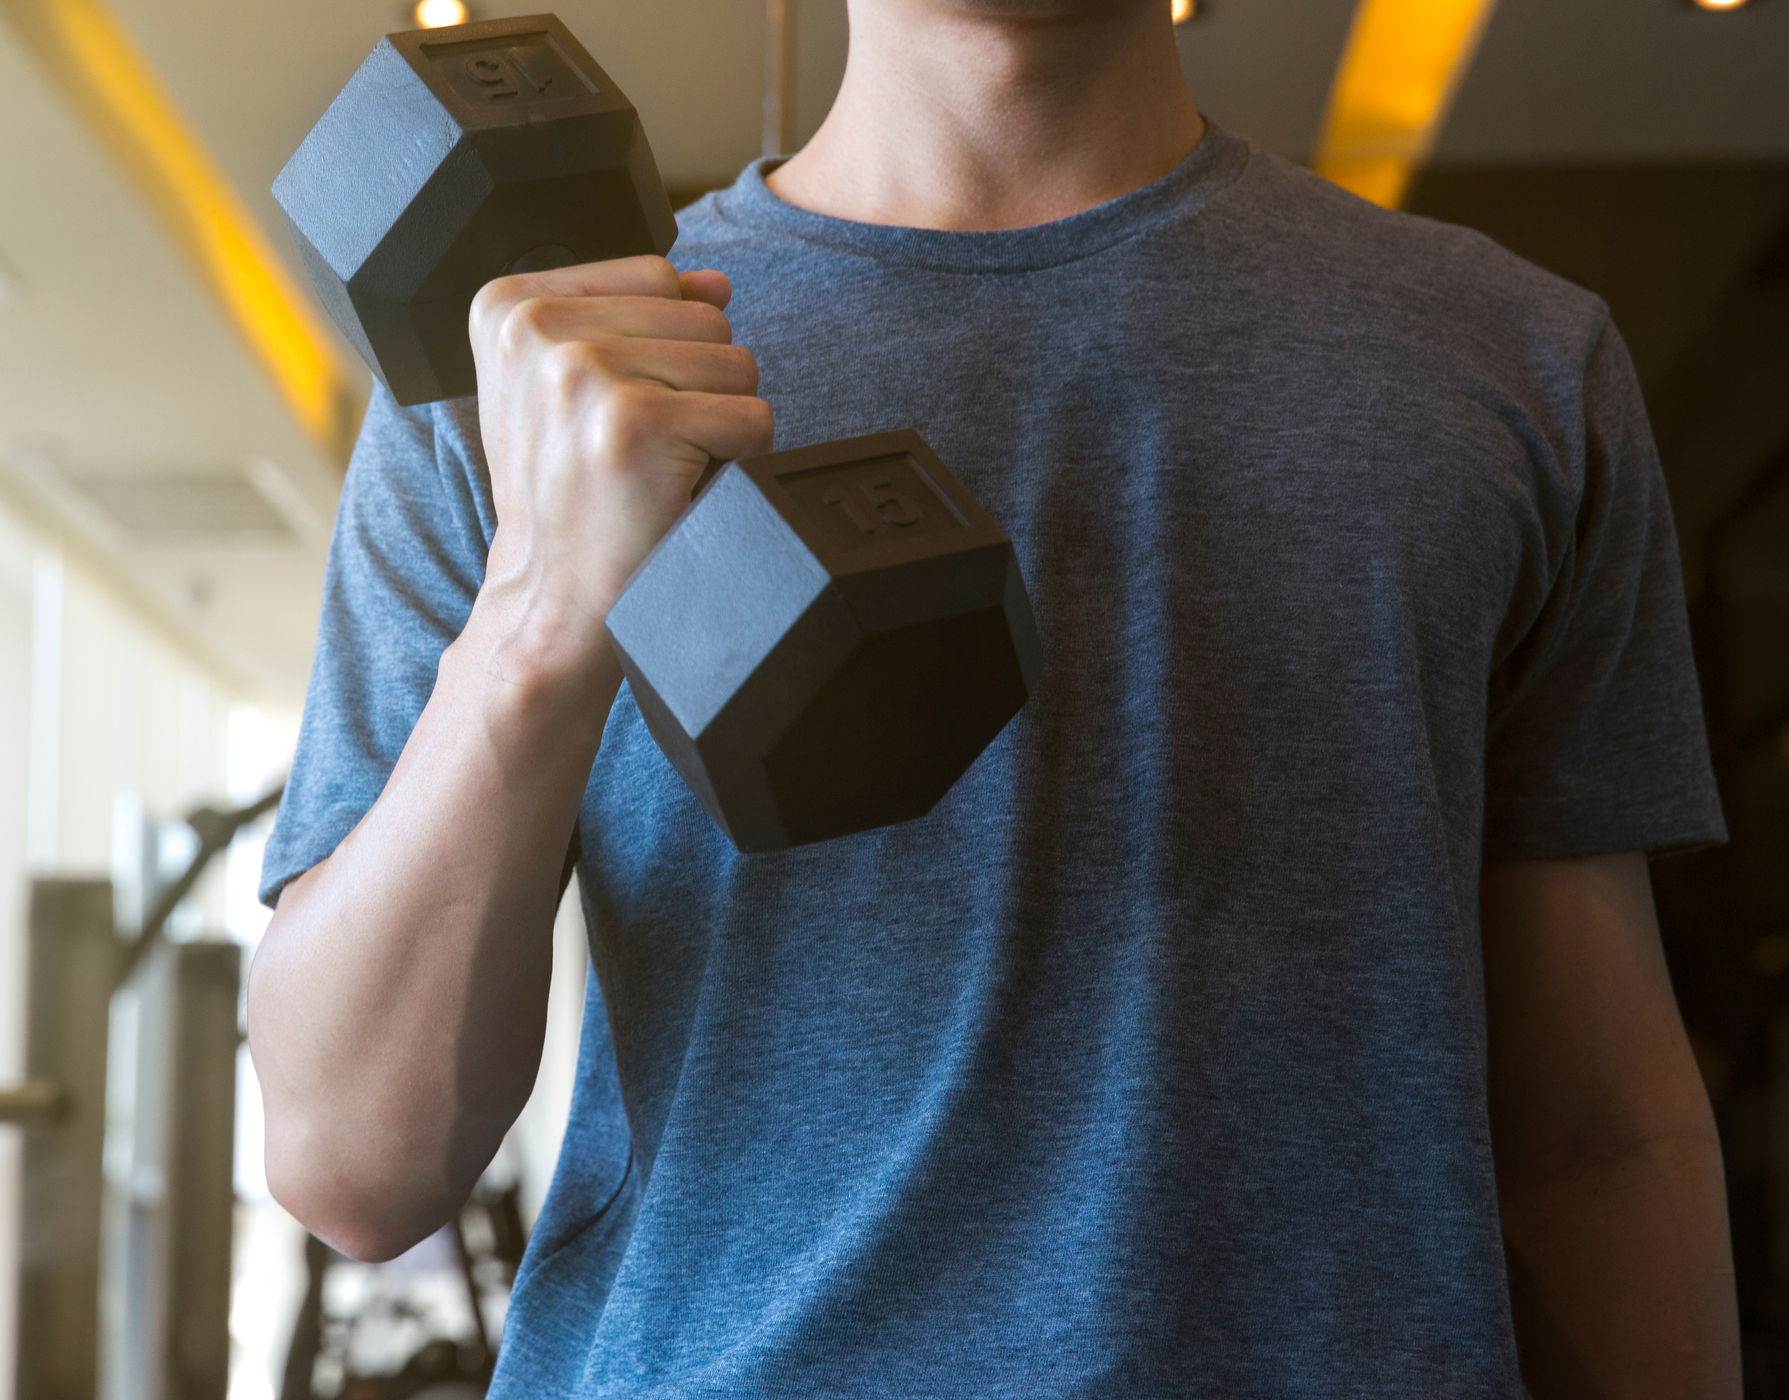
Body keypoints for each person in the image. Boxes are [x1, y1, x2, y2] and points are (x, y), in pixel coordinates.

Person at [246, 0, 1738, 1394]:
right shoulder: (529, 383)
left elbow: (1597, 1143)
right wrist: (539, 613)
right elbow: (350, 1164)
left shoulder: (1517, 364)